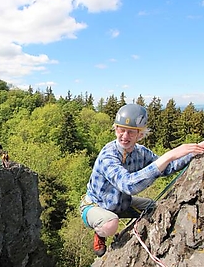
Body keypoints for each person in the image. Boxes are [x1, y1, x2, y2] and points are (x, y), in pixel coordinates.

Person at [80, 104, 204, 257]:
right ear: (115, 129)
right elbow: (128, 185)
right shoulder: (108, 155)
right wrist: (170, 155)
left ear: (140, 135)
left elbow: (167, 167)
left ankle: (130, 230)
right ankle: (100, 234)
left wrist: (194, 151)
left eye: (131, 132)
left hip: (122, 203)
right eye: (121, 130)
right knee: (110, 224)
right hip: (95, 205)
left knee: (154, 208)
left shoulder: (141, 153)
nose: (125, 136)